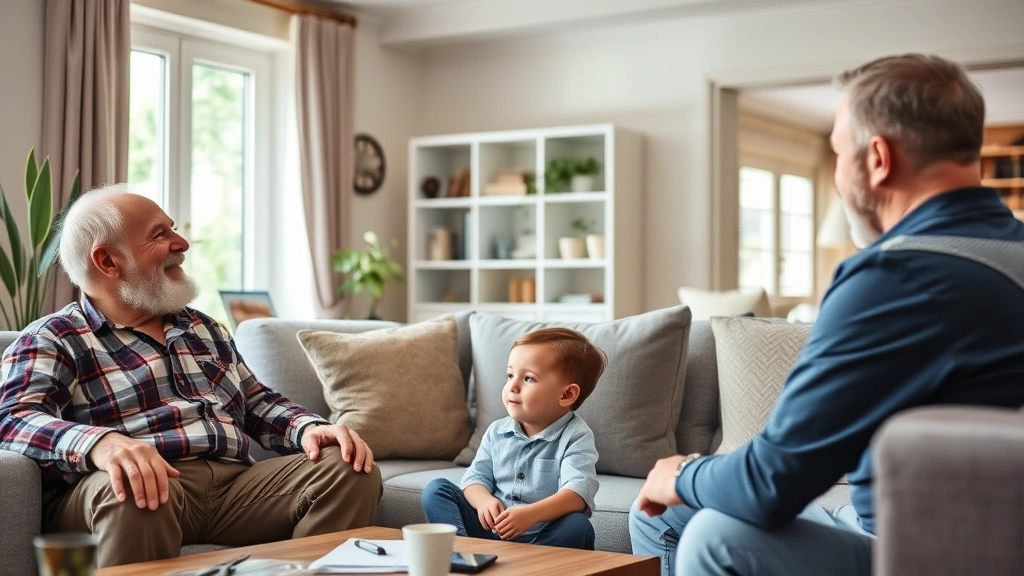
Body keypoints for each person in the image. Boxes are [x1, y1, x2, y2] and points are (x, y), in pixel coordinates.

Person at [630, 53, 1024, 576]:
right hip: (951, 535)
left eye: (839, 153)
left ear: (878, 158)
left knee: (708, 532)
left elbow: (770, 482)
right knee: (664, 519)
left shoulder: (895, 277)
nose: (838, 177)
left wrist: (681, 473)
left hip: (917, 552)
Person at [0, 185, 383, 567]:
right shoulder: (55, 337)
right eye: (159, 234)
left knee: (348, 467)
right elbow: (13, 419)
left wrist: (307, 427)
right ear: (107, 261)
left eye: (173, 229)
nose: (181, 242)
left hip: (235, 489)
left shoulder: (203, 328)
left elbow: (255, 401)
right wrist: (103, 445)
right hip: (134, 487)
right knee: (135, 486)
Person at [421, 327, 606, 549]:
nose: (512, 386)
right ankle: (462, 553)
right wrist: (484, 502)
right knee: (436, 490)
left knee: (578, 526)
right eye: (510, 375)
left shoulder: (576, 436)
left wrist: (530, 515)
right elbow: (474, 480)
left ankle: (528, 566)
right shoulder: (496, 431)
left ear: (567, 394)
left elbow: (577, 493)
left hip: (542, 537)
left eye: (528, 378)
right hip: (490, 530)